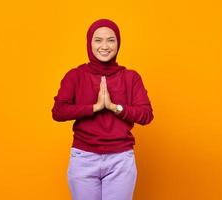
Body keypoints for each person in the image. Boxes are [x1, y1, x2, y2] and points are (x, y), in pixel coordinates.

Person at [51, 18, 154, 200]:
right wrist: (94, 107)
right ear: (89, 43)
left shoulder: (131, 77)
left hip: (120, 159)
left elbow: (146, 115)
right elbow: (58, 111)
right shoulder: (75, 76)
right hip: (84, 158)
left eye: (111, 40)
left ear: (118, 43)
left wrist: (115, 108)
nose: (104, 46)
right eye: (98, 40)